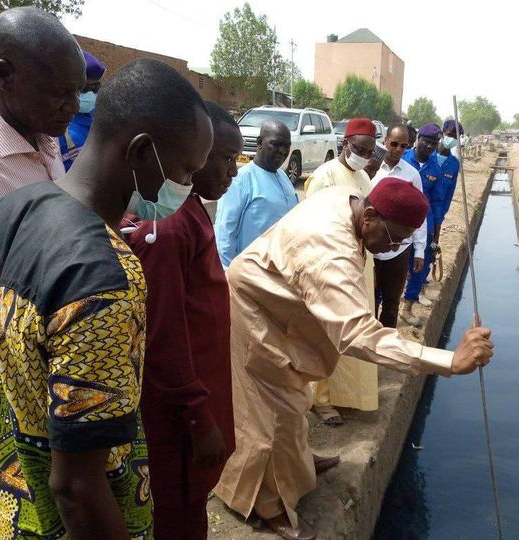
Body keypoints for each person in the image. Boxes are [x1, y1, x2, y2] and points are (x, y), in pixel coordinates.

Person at [0, 58, 213, 538]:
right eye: (186, 171)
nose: (187, 190)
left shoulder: (12, 209)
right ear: (143, 152)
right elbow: (77, 489)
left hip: (4, 511)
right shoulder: (105, 281)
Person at [215, 178, 495, 540]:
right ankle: (265, 503)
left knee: (295, 396)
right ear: (370, 216)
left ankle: (295, 463)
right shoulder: (329, 253)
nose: (393, 248)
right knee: (270, 415)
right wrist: (449, 362)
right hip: (255, 311)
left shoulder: (346, 200)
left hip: (281, 298)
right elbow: (359, 335)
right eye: (393, 239)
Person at [0, 8, 86, 531]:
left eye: (76, 92)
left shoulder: (43, 133)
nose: (73, 107)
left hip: (38, 383)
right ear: (3, 77)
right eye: (59, 93)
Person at [128, 102, 239, 539]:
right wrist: (199, 418)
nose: (232, 170)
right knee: (178, 513)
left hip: (200, 391)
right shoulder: (169, 228)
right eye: (224, 158)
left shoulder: (190, 210)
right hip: (178, 416)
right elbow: (162, 335)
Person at [304, 117, 378, 425]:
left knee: (355, 329)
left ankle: (350, 396)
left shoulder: (363, 177)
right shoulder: (324, 176)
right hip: (331, 264)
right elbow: (312, 221)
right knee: (327, 332)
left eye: (370, 151)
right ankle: (320, 400)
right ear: (345, 144)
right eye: (359, 148)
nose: (363, 155)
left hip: (360, 264)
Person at [215, 119, 296, 269]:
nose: (283, 151)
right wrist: (227, 276)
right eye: (276, 144)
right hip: (249, 275)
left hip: (281, 271)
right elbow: (224, 234)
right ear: (260, 143)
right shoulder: (241, 180)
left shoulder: (284, 178)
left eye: (287, 146)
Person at [401, 123, 457, 323]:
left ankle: (407, 307)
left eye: (434, 143)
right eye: (426, 142)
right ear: (417, 140)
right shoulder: (403, 159)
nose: (430, 147)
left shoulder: (436, 169)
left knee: (420, 265)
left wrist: (435, 228)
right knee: (391, 263)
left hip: (424, 224)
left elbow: (438, 200)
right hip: (398, 222)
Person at [372, 124, 425, 328]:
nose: (398, 150)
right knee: (370, 299)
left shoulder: (412, 175)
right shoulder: (371, 171)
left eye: (404, 146)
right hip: (372, 249)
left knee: (392, 302)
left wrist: (419, 249)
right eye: (394, 144)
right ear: (385, 141)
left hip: (399, 251)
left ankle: (387, 348)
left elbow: (420, 216)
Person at [58, 50, 106, 170]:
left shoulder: (97, 115)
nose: (90, 94)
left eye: (94, 88)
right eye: (84, 88)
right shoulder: (53, 122)